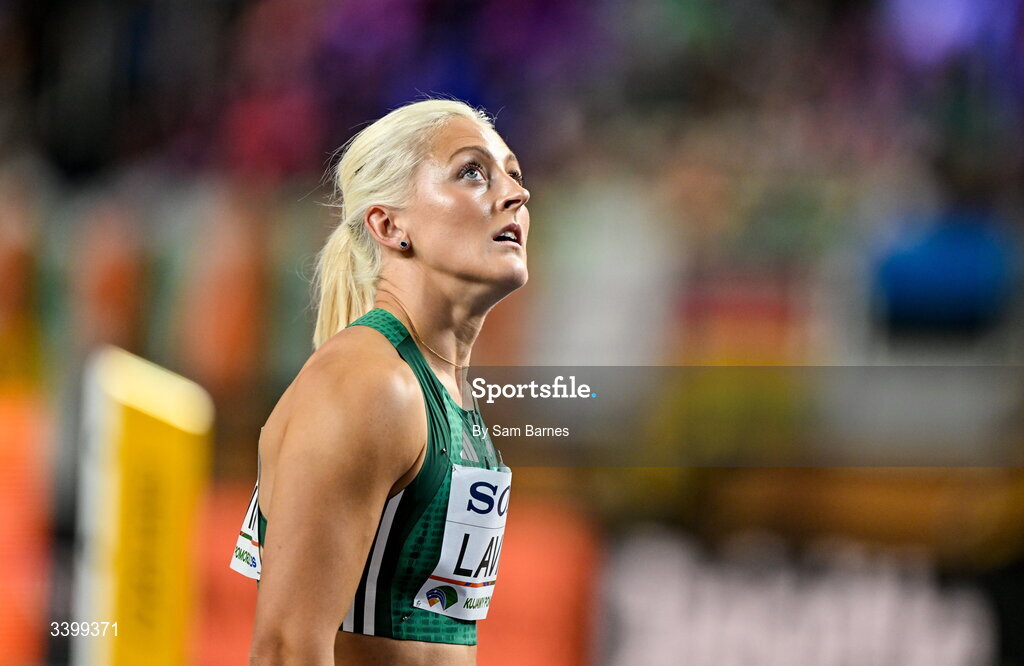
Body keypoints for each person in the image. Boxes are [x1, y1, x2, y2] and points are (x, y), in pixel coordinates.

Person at [229, 98, 529, 665]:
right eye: (473, 172)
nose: (517, 193)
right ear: (390, 225)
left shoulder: (438, 386)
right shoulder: (369, 386)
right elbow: (285, 651)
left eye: (514, 174)